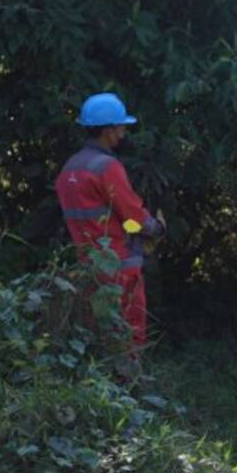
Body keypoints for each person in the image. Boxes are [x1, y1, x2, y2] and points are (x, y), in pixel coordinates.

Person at [55, 92, 165, 355]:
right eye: (121, 127)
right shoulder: (106, 167)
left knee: (99, 336)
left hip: (89, 268)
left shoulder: (69, 169)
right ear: (108, 130)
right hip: (120, 267)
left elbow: (105, 217)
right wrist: (157, 229)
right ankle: (129, 388)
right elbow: (132, 217)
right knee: (129, 335)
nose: (124, 133)